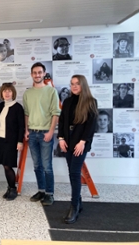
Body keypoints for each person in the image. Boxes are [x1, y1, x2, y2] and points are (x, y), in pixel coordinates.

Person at [58, 74, 98, 224]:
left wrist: (83, 142)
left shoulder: (91, 102)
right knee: (72, 172)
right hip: (68, 142)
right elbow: (62, 121)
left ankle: (74, 206)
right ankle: (79, 202)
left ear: (83, 85)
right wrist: (61, 138)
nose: (74, 86)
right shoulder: (67, 101)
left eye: (77, 83)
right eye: (72, 84)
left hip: (80, 143)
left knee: (75, 172)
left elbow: (91, 126)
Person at [23, 62, 61, 206]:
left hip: (46, 133)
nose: (37, 75)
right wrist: (26, 130)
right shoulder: (28, 93)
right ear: (31, 75)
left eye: (40, 72)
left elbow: (55, 113)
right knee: (37, 165)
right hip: (32, 133)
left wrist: (51, 131)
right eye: (35, 72)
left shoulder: (51, 91)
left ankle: (49, 193)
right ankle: (41, 190)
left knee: (47, 165)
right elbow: (26, 113)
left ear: (44, 74)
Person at [0, 83, 24, 201]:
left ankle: (13, 189)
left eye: (9, 91)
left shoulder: (18, 107)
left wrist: (20, 141)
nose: (7, 93)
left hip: (11, 141)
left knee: (8, 165)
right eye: (4, 91)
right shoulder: (0, 105)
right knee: (4, 165)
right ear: (1, 93)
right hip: (0, 140)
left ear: (13, 93)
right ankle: (9, 187)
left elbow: (21, 126)